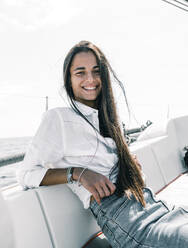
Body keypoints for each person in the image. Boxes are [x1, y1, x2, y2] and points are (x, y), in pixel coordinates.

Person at [17, 41, 188, 248]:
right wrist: (78, 173)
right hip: (131, 223)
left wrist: (131, 167)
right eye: (80, 72)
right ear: (68, 80)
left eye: (96, 71)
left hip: (153, 207)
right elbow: (26, 174)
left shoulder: (109, 120)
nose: (90, 79)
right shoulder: (58, 118)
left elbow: (134, 182)